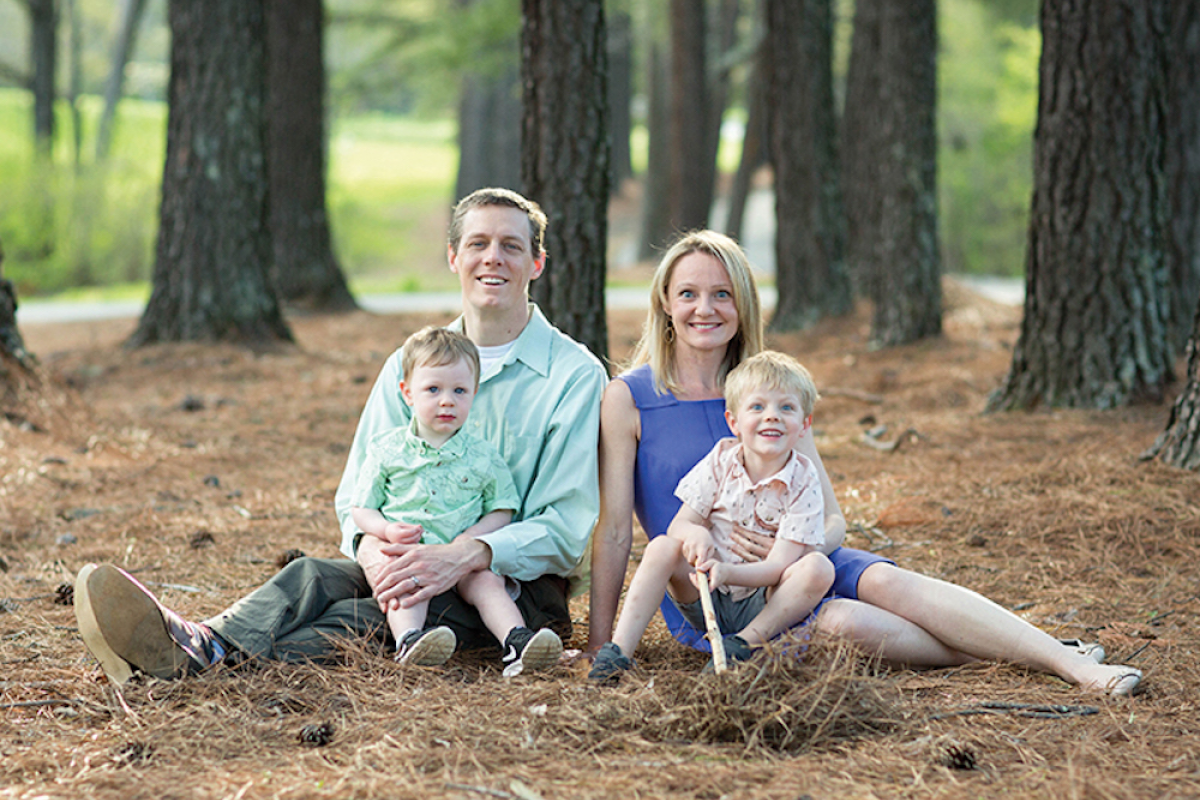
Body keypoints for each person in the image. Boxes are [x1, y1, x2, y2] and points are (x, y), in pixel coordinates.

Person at [74, 187, 606, 683]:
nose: (493, 258)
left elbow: (564, 527)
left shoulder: (573, 376)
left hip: (511, 593)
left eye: (511, 246)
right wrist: (372, 551)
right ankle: (202, 639)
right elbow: (358, 493)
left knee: (355, 618)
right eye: (478, 243)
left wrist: (464, 555)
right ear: (453, 258)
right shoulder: (411, 363)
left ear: (536, 263)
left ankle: (193, 667)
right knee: (311, 575)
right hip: (406, 560)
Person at [587, 229, 1141, 697]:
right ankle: (1025, 653)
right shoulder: (630, 397)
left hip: (803, 561)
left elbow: (831, 520)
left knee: (890, 585)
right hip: (720, 595)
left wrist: (790, 557)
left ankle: (1073, 666)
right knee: (840, 623)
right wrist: (597, 642)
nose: (704, 309)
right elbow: (614, 533)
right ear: (664, 302)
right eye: (688, 293)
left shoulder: (767, 391)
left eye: (722, 295)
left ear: (743, 306)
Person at [589, 351, 834, 681]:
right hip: (706, 592)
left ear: (805, 424)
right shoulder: (721, 459)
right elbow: (680, 524)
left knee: (818, 567)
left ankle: (742, 646)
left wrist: (727, 571)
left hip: (763, 602)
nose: (772, 416)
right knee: (663, 545)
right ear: (733, 421)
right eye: (757, 407)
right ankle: (617, 653)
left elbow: (778, 567)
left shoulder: (803, 480)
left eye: (786, 407)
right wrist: (696, 534)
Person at [349, 325, 562, 672]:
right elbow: (362, 508)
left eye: (459, 390)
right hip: (409, 548)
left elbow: (502, 507)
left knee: (488, 581)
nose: (447, 400)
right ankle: (410, 642)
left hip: (459, 557)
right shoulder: (387, 449)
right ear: (407, 393)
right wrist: (386, 530)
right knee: (404, 579)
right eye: (433, 389)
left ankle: (517, 642)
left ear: (474, 393)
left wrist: (470, 540)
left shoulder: (483, 455)